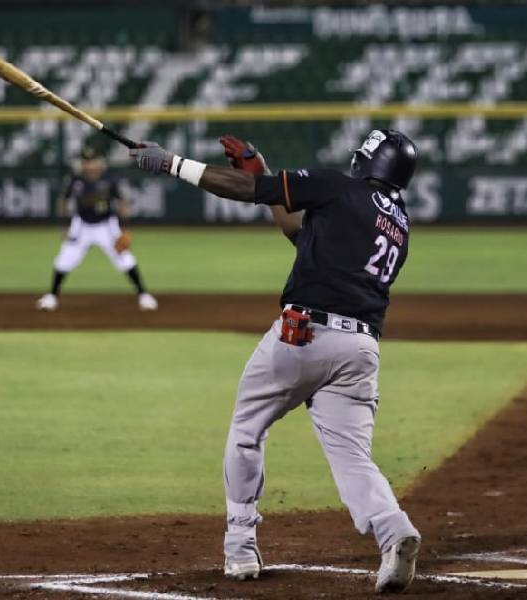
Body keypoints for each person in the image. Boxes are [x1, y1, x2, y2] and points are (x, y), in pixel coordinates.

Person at [129, 129, 420, 594]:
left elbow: (247, 192)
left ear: (365, 161)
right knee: (352, 457)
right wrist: (262, 172)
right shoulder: (399, 224)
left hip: (303, 335)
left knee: (247, 430)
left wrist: (171, 164)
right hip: (360, 351)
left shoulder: (337, 186)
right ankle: (392, 527)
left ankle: (241, 545)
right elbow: (301, 235)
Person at [36, 146, 157, 312]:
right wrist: (64, 225)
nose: (89, 165)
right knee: (64, 259)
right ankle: (52, 297)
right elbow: (63, 202)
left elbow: (122, 203)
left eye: (92, 162)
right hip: (81, 225)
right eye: (86, 162)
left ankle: (144, 295)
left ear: (99, 163)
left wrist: (125, 228)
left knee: (125, 259)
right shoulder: (75, 180)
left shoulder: (109, 180)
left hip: (106, 226)